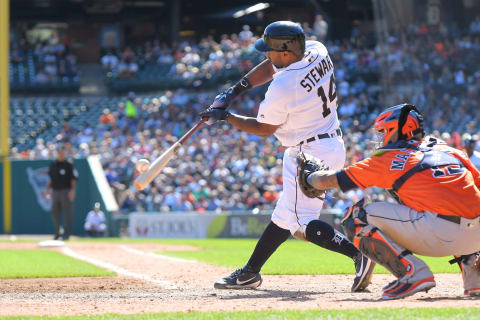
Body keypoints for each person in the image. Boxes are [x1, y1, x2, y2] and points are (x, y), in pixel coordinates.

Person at [200, 21, 375, 292]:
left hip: (307, 153)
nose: (266, 55)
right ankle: (250, 273)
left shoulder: (284, 86)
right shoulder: (317, 50)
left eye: (270, 50)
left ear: (284, 51)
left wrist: (226, 117)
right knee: (284, 216)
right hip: (330, 143)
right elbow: (273, 66)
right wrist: (234, 91)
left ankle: (359, 254)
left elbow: (264, 129)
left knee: (301, 223)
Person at [300, 103, 480, 299]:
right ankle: (475, 279)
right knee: (459, 206)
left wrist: (310, 177)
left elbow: (331, 180)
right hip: (476, 237)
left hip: (440, 235)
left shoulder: (390, 157)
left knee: (356, 217)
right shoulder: (451, 151)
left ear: (398, 130)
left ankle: (412, 273)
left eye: (384, 131)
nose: (382, 137)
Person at [45, 145, 78, 240]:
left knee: (67, 213)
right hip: (55, 191)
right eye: (58, 152)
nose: (60, 154)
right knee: (54, 211)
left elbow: (73, 179)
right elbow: (51, 178)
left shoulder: (69, 164)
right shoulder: (53, 164)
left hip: (65, 190)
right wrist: (47, 189)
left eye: (61, 152)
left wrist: (72, 191)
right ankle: (57, 232)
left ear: (64, 153)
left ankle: (66, 234)